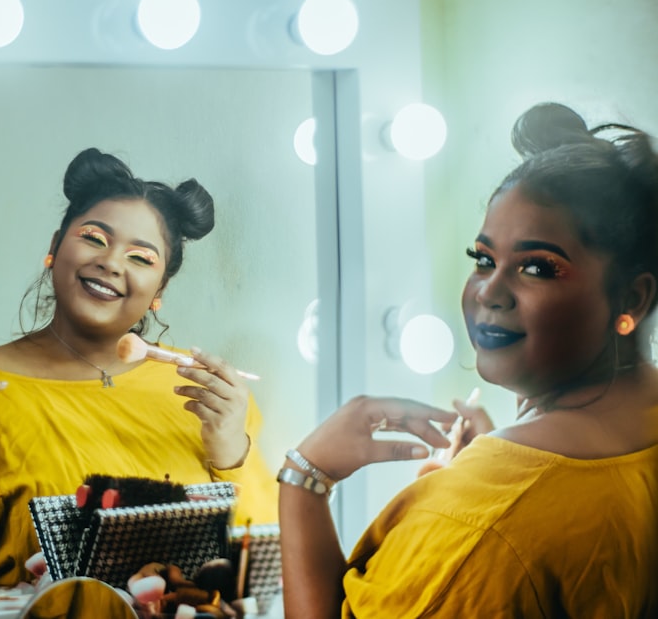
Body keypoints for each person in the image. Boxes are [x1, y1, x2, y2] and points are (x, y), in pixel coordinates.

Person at [279, 103, 658, 617]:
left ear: (632, 299)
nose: (490, 293)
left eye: (538, 267)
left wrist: (305, 478)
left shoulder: (480, 521)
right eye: (483, 259)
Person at [0, 147, 278, 587]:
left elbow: (258, 572)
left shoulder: (203, 396)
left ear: (159, 289)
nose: (110, 262)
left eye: (141, 258)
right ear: (54, 248)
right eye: (94, 237)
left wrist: (230, 451)